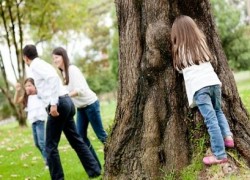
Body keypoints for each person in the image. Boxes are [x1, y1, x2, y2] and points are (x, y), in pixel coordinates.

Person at [22, 44, 101, 179]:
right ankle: (94, 170)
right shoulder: (42, 63)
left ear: (25, 58)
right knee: (76, 140)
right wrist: (36, 91)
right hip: (66, 102)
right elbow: (49, 84)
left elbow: (52, 79)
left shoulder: (35, 65)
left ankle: (58, 178)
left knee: (50, 146)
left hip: (58, 104)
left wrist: (53, 105)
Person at [170, 15, 234, 165]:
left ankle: (219, 154)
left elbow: (179, 68)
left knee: (211, 120)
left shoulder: (179, 49)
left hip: (200, 88)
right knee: (218, 111)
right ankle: (228, 136)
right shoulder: (201, 43)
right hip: (214, 83)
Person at [52, 47, 108, 169]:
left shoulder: (72, 70)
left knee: (101, 135)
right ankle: (96, 166)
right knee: (81, 137)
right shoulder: (63, 73)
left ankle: (116, 157)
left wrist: (65, 96)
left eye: (56, 57)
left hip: (91, 104)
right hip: (81, 108)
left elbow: (80, 90)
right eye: (53, 58)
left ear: (63, 57)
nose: (54, 60)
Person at [14, 78, 47, 167]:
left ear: (34, 86)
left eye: (29, 85)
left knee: (42, 142)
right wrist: (17, 91)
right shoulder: (27, 97)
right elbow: (16, 101)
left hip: (40, 120)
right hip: (33, 122)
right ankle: (48, 158)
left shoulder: (39, 95)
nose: (27, 88)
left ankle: (48, 162)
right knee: (37, 144)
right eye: (26, 86)